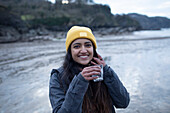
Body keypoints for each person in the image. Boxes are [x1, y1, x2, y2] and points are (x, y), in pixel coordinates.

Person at [49, 26, 130, 113]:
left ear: (93, 49)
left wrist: (107, 71)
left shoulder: (103, 72)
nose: (83, 50)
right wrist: (80, 81)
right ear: (70, 51)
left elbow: (123, 102)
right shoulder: (58, 77)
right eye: (77, 46)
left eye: (88, 45)